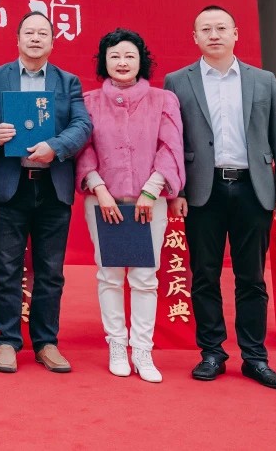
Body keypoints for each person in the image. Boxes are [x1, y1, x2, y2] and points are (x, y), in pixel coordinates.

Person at [164, 5, 276, 390]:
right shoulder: (178, 81)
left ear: (236, 33)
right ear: (195, 37)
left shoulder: (263, 80)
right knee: (204, 275)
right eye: (206, 29)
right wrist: (177, 190)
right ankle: (212, 352)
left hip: (253, 188)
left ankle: (255, 357)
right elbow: (172, 141)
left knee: (251, 277)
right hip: (202, 191)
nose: (214, 35)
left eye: (221, 28)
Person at [0, 11, 91, 374]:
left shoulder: (67, 82)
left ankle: (46, 342)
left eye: (43, 33)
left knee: (50, 270)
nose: (36, 38)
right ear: (18, 39)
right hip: (11, 186)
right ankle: (7, 341)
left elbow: (82, 124)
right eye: (29, 33)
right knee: (6, 268)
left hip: (53, 187)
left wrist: (56, 146)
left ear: (53, 42)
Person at [75, 29, 184, 383]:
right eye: (114, 56)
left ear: (141, 61)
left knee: (144, 277)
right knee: (109, 275)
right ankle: (117, 345)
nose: (122, 63)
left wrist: (151, 191)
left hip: (149, 202)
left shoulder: (163, 100)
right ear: (104, 62)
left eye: (129, 56)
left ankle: (142, 349)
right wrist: (99, 189)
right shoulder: (89, 101)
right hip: (103, 200)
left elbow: (170, 147)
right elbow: (83, 148)